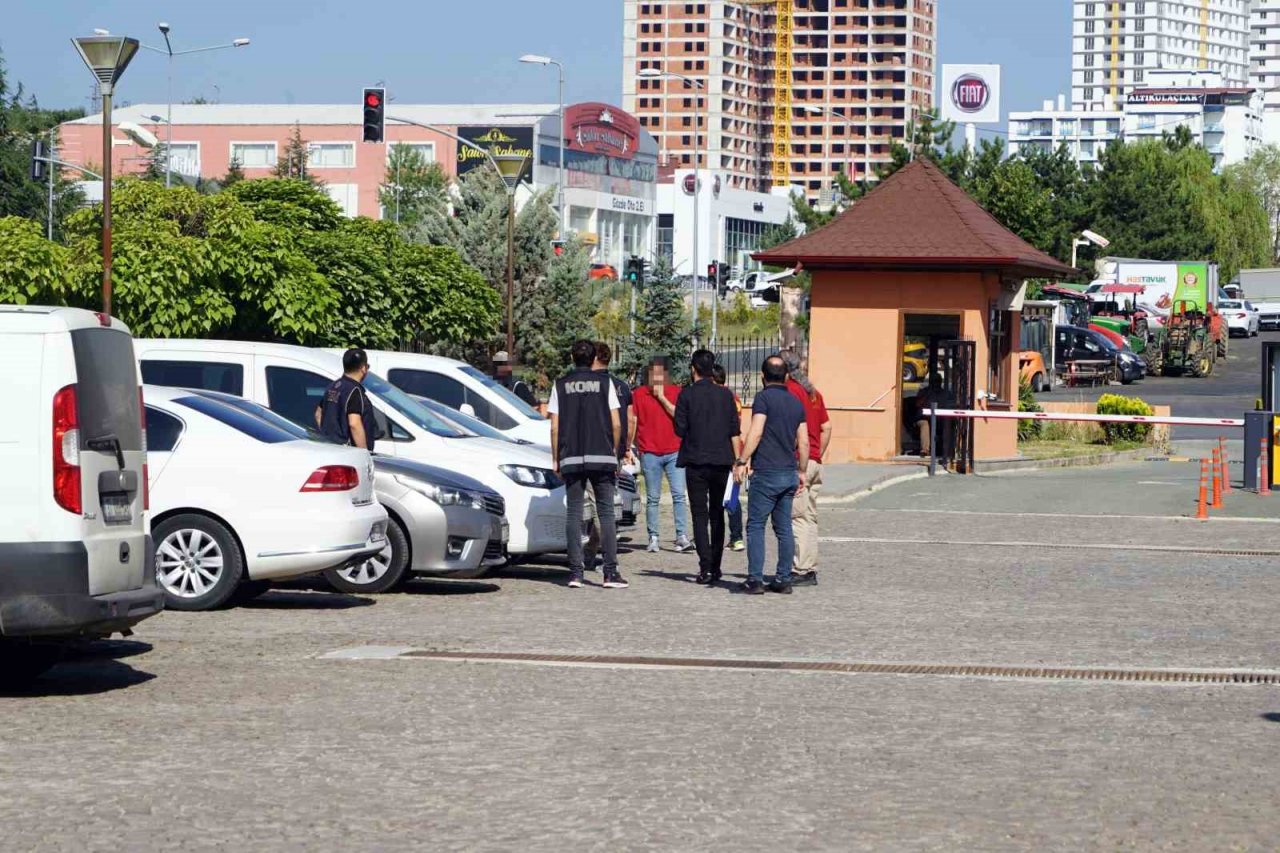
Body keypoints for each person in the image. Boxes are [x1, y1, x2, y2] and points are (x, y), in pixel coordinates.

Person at [548, 340, 625, 589]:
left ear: (572, 357)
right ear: (593, 359)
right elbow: (616, 423)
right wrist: (615, 452)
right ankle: (610, 573)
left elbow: (555, 426)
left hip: (571, 455)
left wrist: (556, 459)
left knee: (574, 513)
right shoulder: (605, 383)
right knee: (606, 513)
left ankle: (575, 573)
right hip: (602, 454)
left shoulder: (560, 385)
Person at [735, 355, 808, 595]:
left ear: (762, 377)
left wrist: (742, 460)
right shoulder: (797, 402)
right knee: (784, 528)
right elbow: (804, 441)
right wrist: (803, 471)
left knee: (756, 525)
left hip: (766, 471)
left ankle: (755, 580)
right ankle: (784, 578)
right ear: (787, 376)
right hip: (788, 471)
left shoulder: (763, 398)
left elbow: (756, 432)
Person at [674, 349, 742, 585]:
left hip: (695, 461)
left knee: (699, 515)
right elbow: (735, 430)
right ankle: (717, 566)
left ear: (693, 369)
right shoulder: (726, 396)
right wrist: (738, 460)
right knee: (717, 514)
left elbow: (679, 430)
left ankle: (704, 567)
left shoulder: (687, 395)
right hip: (722, 461)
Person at [629, 357, 691, 553]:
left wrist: (662, 397)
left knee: (679, 495)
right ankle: (653, 537)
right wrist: (629, 447)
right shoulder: (638, 394)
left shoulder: (676, 392)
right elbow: (634, 421)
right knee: (653, 498)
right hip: (650, 453)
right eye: (652, 373)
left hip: (674, 451)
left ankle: (681, 535)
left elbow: (678, 416)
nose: (656, 377)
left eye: (660, 373)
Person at [580, 342, 632, 570]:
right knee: (604, 505)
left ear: (594, 358)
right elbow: (629, 420)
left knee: (601, 509)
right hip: (615, 454)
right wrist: (625, 448)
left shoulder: (589, 386)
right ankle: (591, 551)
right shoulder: (621, 386)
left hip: (593, 452)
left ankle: (605, 558)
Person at [782, 350, 831, 586]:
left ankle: (800, 568)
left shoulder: (791, 392)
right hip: (814, 461)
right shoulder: (814, 394)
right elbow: (827, 427)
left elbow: (791, 430)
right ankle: (809, 566)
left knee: (798, 517)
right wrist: (816, 454)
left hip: (798, 461)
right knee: (810, 517)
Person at [317, 348, 379, 452]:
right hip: (349, 454)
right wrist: (364, 453)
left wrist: (329, 436)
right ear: (363, 368)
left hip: (330, 448)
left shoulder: (333, 386)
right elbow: (354, 424)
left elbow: (318, 414)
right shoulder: (355, 391)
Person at [712, 363, 745, 551]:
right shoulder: (734, 397)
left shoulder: (721, 398)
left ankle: (734, 536)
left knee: (726, 496)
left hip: (725, 451)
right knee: (730, 495)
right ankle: (735, 536)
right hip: (733, 450)